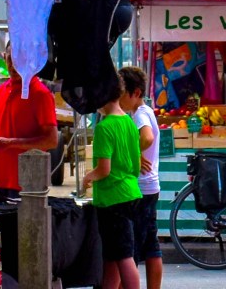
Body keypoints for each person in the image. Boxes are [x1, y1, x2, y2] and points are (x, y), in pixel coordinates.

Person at [82, 73, 142, 289]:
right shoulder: (128, 122)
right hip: (130, 192)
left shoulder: (104, 128)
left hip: (112, 198)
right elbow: (136, 164)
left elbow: (104, 170)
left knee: (124, 256)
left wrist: (88, 178)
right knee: (112, 255)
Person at [0, 41, 58, 199]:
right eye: (10, 59)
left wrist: (11, 143)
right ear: (5, 58)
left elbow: (51, 140)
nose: (13, 65)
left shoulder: (41, 94)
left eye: (19, 60)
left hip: (24, 184)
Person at [119, 66, 162, 289]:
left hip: (141, 188)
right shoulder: (145, 112)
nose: (119, 98)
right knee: (151, 245)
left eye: (122, 93)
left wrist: (132, 155)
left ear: (135, 93)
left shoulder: (140, 114)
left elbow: (147, 137)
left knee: (133, 246)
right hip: (150, 186)